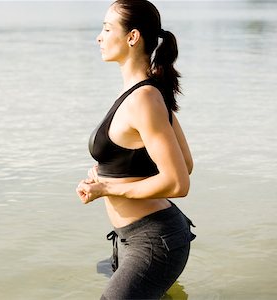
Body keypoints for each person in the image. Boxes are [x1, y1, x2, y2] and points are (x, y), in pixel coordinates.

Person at [75, 1, 196, 299]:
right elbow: (186, 162)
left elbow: (179, 181)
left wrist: (109, 188)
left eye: (106, 28)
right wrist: (108, 178)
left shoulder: (145, 98)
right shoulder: (143, 91)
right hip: (133, 237)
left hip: (154, 240)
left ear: (132, 37)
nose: (99, 37)